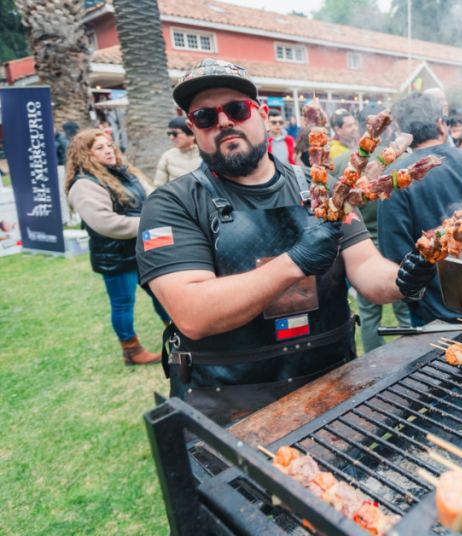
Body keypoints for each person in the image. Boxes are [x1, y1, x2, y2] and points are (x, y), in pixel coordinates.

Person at [138, 59, 436, 424]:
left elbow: (366, 265)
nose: (224, 122)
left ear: (262, 114)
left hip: (333, 384)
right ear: (192, 127)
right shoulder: (173, 204)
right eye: (205, 116)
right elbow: (192, 313)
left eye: (236, 109)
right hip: (231, 403)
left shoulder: (323, 188)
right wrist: (294, 261)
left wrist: (402, 278)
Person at [378, 92, 462, 325]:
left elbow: (395, 256)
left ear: (401, 131)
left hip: (434, 315)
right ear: (441, 125)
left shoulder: (393, 182)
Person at [65, 129, 171, 366]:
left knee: (161, 292)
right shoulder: (83, 184)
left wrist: (162, 217)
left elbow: (153, 197)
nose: (109, 151)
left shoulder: (126, 172)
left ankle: (178, 332)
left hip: (145, 248)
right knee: (123, 303)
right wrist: (151, 224)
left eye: (109, 145)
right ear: (86, 155)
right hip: (115, 254)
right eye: (99, 148)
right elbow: (107, 224)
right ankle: (131, 351)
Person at [329, 104, 413, 353]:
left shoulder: (342, 162)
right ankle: (411, 357)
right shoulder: (408, 161)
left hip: (360, 246)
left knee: (369, 314)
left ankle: (375, 367)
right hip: (394, 244)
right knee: (404, 305)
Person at [153, 116, 202, 187]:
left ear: (192, 135)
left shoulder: (207, 154)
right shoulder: (168, 156)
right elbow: (159, 187)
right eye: (169, 134)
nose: (171, 137)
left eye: (175, 134)